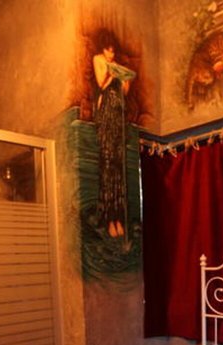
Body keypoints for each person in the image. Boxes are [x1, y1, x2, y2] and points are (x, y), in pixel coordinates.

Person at [92, 32, 134, 238]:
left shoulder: (116, 65)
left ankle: (118, 218)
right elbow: (101, 84)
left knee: (118, 167)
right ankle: (108, 218)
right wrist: (112, 74)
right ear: (103, 49)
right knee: (107, 164)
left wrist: (125, 79)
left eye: (112, 51)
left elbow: (124, 93)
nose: (111, 54)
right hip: (106, 114)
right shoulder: (98, 60)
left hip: (118, 117)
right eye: (108, 50)